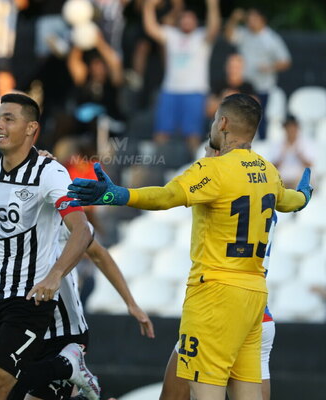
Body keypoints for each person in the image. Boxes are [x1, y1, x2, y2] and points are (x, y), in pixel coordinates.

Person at [68, 93, 313, 399]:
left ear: (222, 122)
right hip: (254, 297)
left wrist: (117, 195)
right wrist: (304, 195)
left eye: (214, 119)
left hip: (215, 294)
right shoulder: (268, 171)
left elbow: (166, 196)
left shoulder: (214, 170)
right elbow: (292, 201)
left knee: (201, 393)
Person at [0, 93, 94, 400]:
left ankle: (66, 368)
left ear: (31, 129)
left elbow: (82, 231)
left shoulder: (50, 173)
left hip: (26, 300)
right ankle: (66, 371)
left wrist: (55, 275)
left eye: (8, 119)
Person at [0, 211, 155, 400]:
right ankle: (70, 373)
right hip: (13, 325)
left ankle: (67, 365)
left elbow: (98, 254)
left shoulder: (51, 209)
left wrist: (131, 303)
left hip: (61, 330)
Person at [158, 145, 277, 400]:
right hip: (257, 312)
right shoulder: (262, 187)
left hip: (219, 307)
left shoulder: (219, 183)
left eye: (208, 153)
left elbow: (167, 197)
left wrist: (118, 195)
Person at [143, 0, 221, 155]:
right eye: (183, 18)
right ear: (179, 22)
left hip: (195, 92)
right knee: (161, 133)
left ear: (195, 22)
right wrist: (149, 6)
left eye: (190, 18)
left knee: (192, 136)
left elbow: (214, 28)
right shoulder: (171, 35)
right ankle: (154, 170)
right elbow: (151, 29)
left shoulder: (201, 36)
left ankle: (195, 170)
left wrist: (212, 5)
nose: (186, 21)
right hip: (169, 90)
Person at [224, 8, 291, 140]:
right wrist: (234, 19)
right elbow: (228, 35)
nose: (251, 22)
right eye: (249, 19)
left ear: (262, 20)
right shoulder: (244, 34)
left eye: (254, 19)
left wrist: (270, 67)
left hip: (262, 87)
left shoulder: (271, 39)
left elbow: (286, 61)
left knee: (259, 119)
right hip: (244, 85)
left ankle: (260, 148)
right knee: (240, 118)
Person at [206, 53, 256, 118]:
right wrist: (223, 100)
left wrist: (238, 100)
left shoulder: (248, 87)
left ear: (242, 68)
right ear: (226, 67)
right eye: (231, 67)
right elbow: (209, 111)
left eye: (237, 67)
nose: (233, 70)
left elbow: (255, 111)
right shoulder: (218, 85)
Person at [271, 115, 314, 189]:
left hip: (299, 181)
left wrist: (298, 153)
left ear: (297, 128)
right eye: (288, 127)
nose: (290, 130)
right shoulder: (278, 144)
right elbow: (272, 167)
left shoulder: (305, 143)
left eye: (293, 127)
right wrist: (283, 154)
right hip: (282, 181)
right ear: (284, 129)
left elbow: (310, 165)